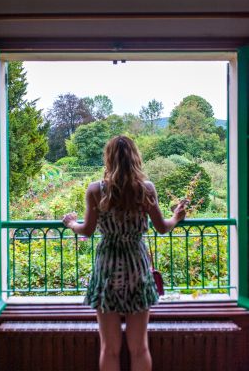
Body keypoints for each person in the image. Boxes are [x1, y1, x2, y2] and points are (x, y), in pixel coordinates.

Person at [63, 135, 186, 371]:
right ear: (135, 158)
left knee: (109, 349)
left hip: (107, 266)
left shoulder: (95, 190)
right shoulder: (146, 189)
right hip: (136, 267)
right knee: (139, 348)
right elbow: (162, 228)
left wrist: (71, 223)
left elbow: (86, 230)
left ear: (108, 158)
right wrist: (176, 218)